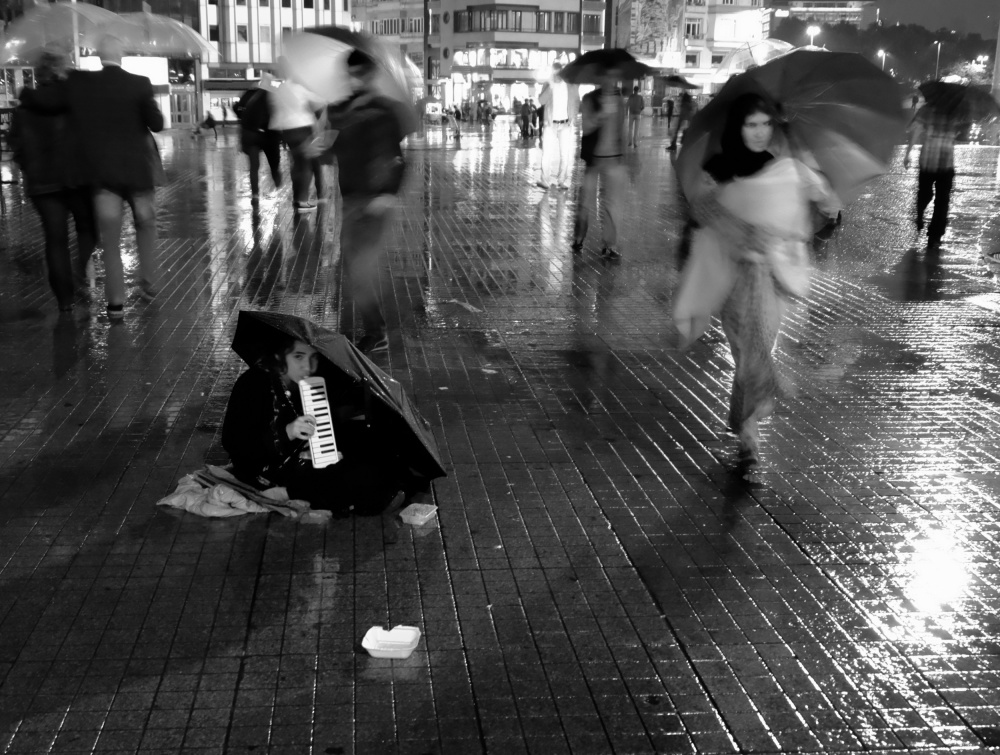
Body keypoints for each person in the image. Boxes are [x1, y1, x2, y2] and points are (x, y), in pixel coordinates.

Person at [679, 93, 838, 465]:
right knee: (746, 350)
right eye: (752, 124)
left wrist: (813, 211)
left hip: (772, 277)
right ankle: (749, 432)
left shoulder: (782, 166)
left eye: (767, 124)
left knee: (759, 346)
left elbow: (814, 214)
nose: (760, 133)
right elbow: (701, 212)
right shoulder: (719, 167)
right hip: (732, 276)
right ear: (738, 126)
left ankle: (744, 418)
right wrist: (743, 231)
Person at [19, 35, 165, 321]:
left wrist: (24, 92)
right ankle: (149, 283)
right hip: (137, 173)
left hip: (102, 176)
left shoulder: (81, 83)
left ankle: (115, 306)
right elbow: (157, 125)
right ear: (121, 55)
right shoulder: (140, 83)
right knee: (146, 225)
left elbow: (44, 100)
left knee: (110, 240)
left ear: (98, 56)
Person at [221, 335, 415, 515]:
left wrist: (320, 440)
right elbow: (235, 444)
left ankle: (389, 486)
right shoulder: (253, 385)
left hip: (298, 456)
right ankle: (290, 493)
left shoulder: (301, 382)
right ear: (280, 356)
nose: (308, 366)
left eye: (313, 357)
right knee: (352, 474)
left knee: (368, 439)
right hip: (263, 470)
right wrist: (287, 432)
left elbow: (323, 427)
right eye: (298, 356)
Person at [324, 49, 407, 354]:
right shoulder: (339, 111)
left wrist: (388, 193)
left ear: (371, 75)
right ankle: (376, 326)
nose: (356, 79)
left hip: (376, 201)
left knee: (360, 271)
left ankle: (377, 331)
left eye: (361, 73)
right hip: (350, 198)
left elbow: (398, 157)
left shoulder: (385, 110)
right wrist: (322, 144)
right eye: (351, 74)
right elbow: (334, 152)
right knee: (351, 267)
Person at [10, 48, 97, 313]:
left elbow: (17, 148)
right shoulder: (75, 104)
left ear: (38, 75)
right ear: (61, 72)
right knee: (89, 228)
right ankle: (78, 269)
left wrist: (31, 168)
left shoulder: (24, 109)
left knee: (55, 239)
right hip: (76, 180)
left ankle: (65, 302)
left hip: (42, 184)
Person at [572, 72, 626, 259]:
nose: (611, 81)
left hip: (613, 159)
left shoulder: (619, 100)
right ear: (600, 79)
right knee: (586, 202)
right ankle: (579, 238)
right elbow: (586, 127)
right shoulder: (589, 99)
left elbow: (621, 127)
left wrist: (623, 154)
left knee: (612, 204)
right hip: (594, 159)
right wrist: (601, 114)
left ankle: (609, 245)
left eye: (614, 78)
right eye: (607, 77)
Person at [904, 102, 962, 252]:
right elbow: (958, 133)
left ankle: (920, 213)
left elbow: (915, 131)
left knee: (925, 193)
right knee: (942, 201)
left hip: (928, 161)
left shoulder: (926, 110)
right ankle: (935, 237)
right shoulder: (956, 112)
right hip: (946, 162)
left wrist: (908, 153)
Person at [269, 58, 326, 212]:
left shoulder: (277, 89)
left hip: (287, 132)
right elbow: (320, 102)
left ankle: (296, 198)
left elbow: (273, 109)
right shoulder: (298, 88)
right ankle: (303, 201)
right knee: (306, 165)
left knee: (296, 164)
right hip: (303, 130)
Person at [233, 87, 282, 201]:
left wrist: (243, 118)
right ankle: (278, 188)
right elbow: (278, 113)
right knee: (274, 165)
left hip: (250, 132)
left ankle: (255, 195)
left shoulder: (248, 93)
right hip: (270, 134)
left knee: (254, 167)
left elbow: (236, 107)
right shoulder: (272, 94)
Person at [537, 63, 579, 190]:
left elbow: (576, 101)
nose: (557, 75)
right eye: (555, 73)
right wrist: (550, 86)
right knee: (546, 154)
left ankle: (562, 180)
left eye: (559, 72)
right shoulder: (548, 85)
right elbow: (541, 101)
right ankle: (545, 180)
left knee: (565, 154)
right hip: (550, 124)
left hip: (565, 124)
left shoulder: (571, 85)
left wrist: (573, 118)